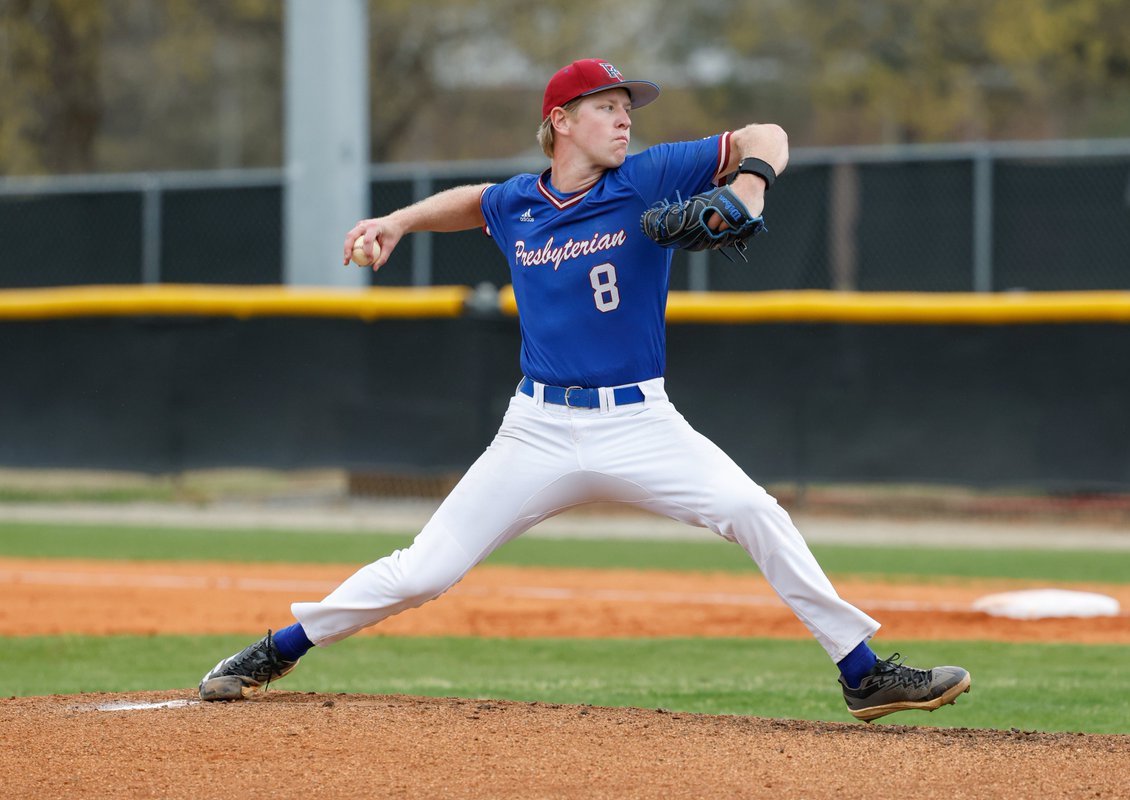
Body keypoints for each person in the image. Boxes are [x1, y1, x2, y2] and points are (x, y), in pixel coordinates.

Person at [198, 58, 970, 723]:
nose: (624, 121)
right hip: (535, 429)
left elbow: (767, 136)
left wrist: (750, 191)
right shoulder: (520, 204)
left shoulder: (648, 176)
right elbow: (476, 200)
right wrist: (397, 220)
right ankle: (276, 649)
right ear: (560, 120)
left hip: (640, 421)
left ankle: (862, 674)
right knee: (424, 571)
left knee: (751, 511)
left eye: (628, 109)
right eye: (607, 108)